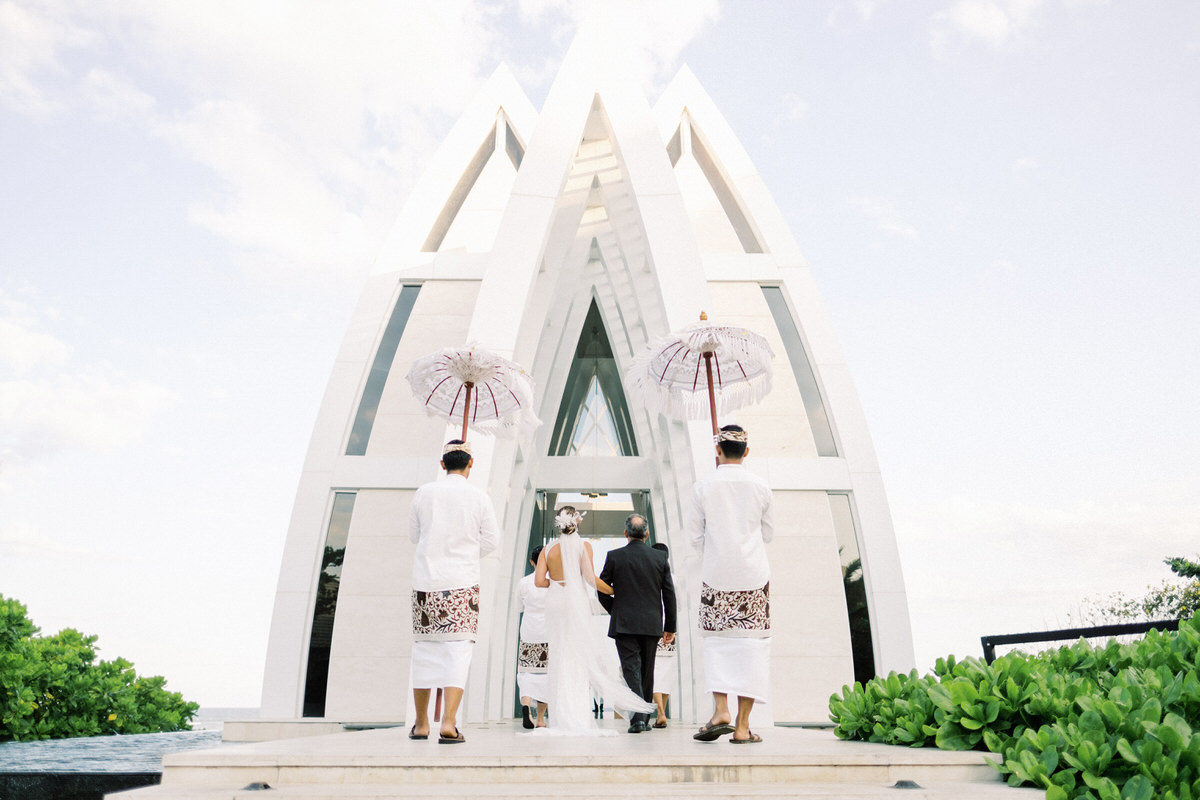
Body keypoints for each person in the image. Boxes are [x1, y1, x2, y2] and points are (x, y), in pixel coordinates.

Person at [408, 439, 500, 744]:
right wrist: (467, 551)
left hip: (426, 584)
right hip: (462, 582)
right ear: (470, 464)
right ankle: (448, 722)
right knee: (458, 651)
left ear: (442, 464)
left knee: (424, 650)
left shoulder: (424, 492)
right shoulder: (479, 498)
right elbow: (491, 542)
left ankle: (421, 724)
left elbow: (414, 535)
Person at [687, 424, 774, 744]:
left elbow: (695, 538)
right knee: (753, 648)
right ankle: (742, 726)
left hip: (716, 577)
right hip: (753, 577)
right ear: (746, 452)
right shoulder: (761, 487)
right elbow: (768, 533)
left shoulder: (702, 487)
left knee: (717, 645)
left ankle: (721, 709)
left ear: (717, 451)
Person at [533, 506, 654, 735]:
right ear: (577, 522)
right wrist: (613, 590)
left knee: (559, 655)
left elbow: (539, 581)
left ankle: (559, 717)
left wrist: (556, 584)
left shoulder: (547, 549)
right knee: (577, 655)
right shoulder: (583, 546)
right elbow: (590, 579)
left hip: (556, 603)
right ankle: (578, 714)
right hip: (575, 602)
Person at [597, 514, 676, 733]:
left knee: (632, 669)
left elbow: (601, 589)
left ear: (625, 534)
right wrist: (670, 626)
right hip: (651, 624)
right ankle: (642, 717)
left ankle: (638, 718)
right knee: (647, 671)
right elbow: (669, 594)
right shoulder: (660, 558)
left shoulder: (614, 557)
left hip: (624, 625)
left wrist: (617, 611)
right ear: (647, 534)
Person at [514, 545, 549, 728]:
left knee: (526, 671)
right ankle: (541, 720)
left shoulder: (524, 582)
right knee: (546, 674)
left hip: (529, 631)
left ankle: (526, 706)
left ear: (531, 561)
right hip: (548, 632)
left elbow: (518, 608)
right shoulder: (553, 582)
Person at [650, 542, 678, 729]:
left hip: (653, 628)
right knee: (666, 673)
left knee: (653, 673)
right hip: (670, 631)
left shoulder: (650, 577)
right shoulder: (674, 578)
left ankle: (660, 712)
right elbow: (678, 605)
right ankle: (663, 712)